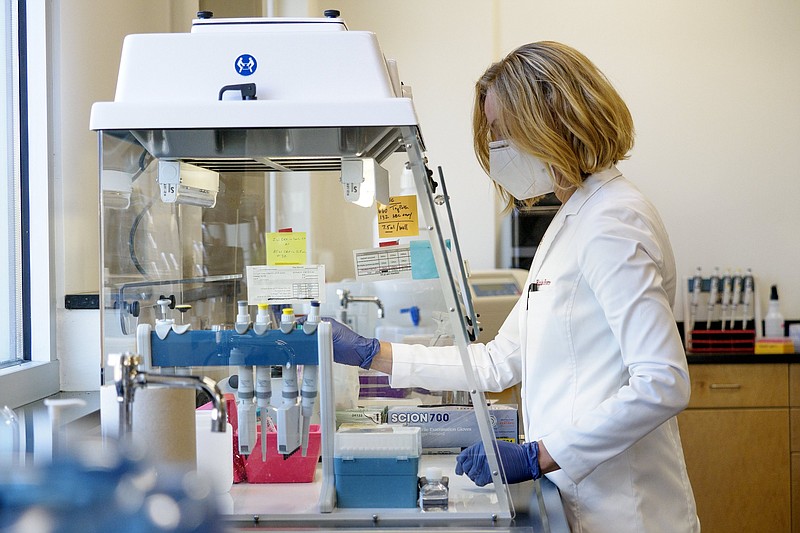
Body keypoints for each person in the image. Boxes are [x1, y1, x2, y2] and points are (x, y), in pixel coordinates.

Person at [329, 41, 699, 532]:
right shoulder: (573, 218)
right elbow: (498, 360)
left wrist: (537, 456)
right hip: (584, 501)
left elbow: (662, 382)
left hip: (631, 510)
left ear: (552, 120)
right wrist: (374, 354)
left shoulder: (612, 221)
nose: (497, 147)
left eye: (503, 132)